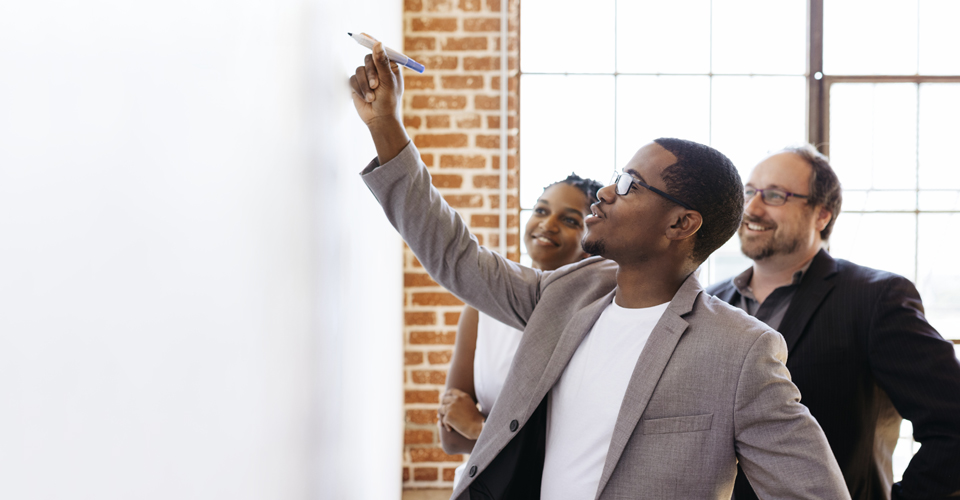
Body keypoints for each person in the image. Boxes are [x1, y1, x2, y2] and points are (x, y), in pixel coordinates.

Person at [349, 44, 849, 499]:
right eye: (614, 177)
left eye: (629, 184)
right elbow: (455, 256)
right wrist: (385, 126)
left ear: (680, 222)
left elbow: (814, 492)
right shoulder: (568, 294)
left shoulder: (740, 351)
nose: (606, 192)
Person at [706, 145, 960, 500]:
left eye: (775, 196)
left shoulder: (877, 298)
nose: (752, 207)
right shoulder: (711, 302)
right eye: (749, 192)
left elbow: (953, 425)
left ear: (822, 215)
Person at [437, 174, 603, 482]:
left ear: (589, 241)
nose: (547, 224)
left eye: (569, 220)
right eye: (541, 211)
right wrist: (475, 430)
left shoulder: (593, 319)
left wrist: (478, 427)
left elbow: (572, 452)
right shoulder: (481, 307)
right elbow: (450, 438)